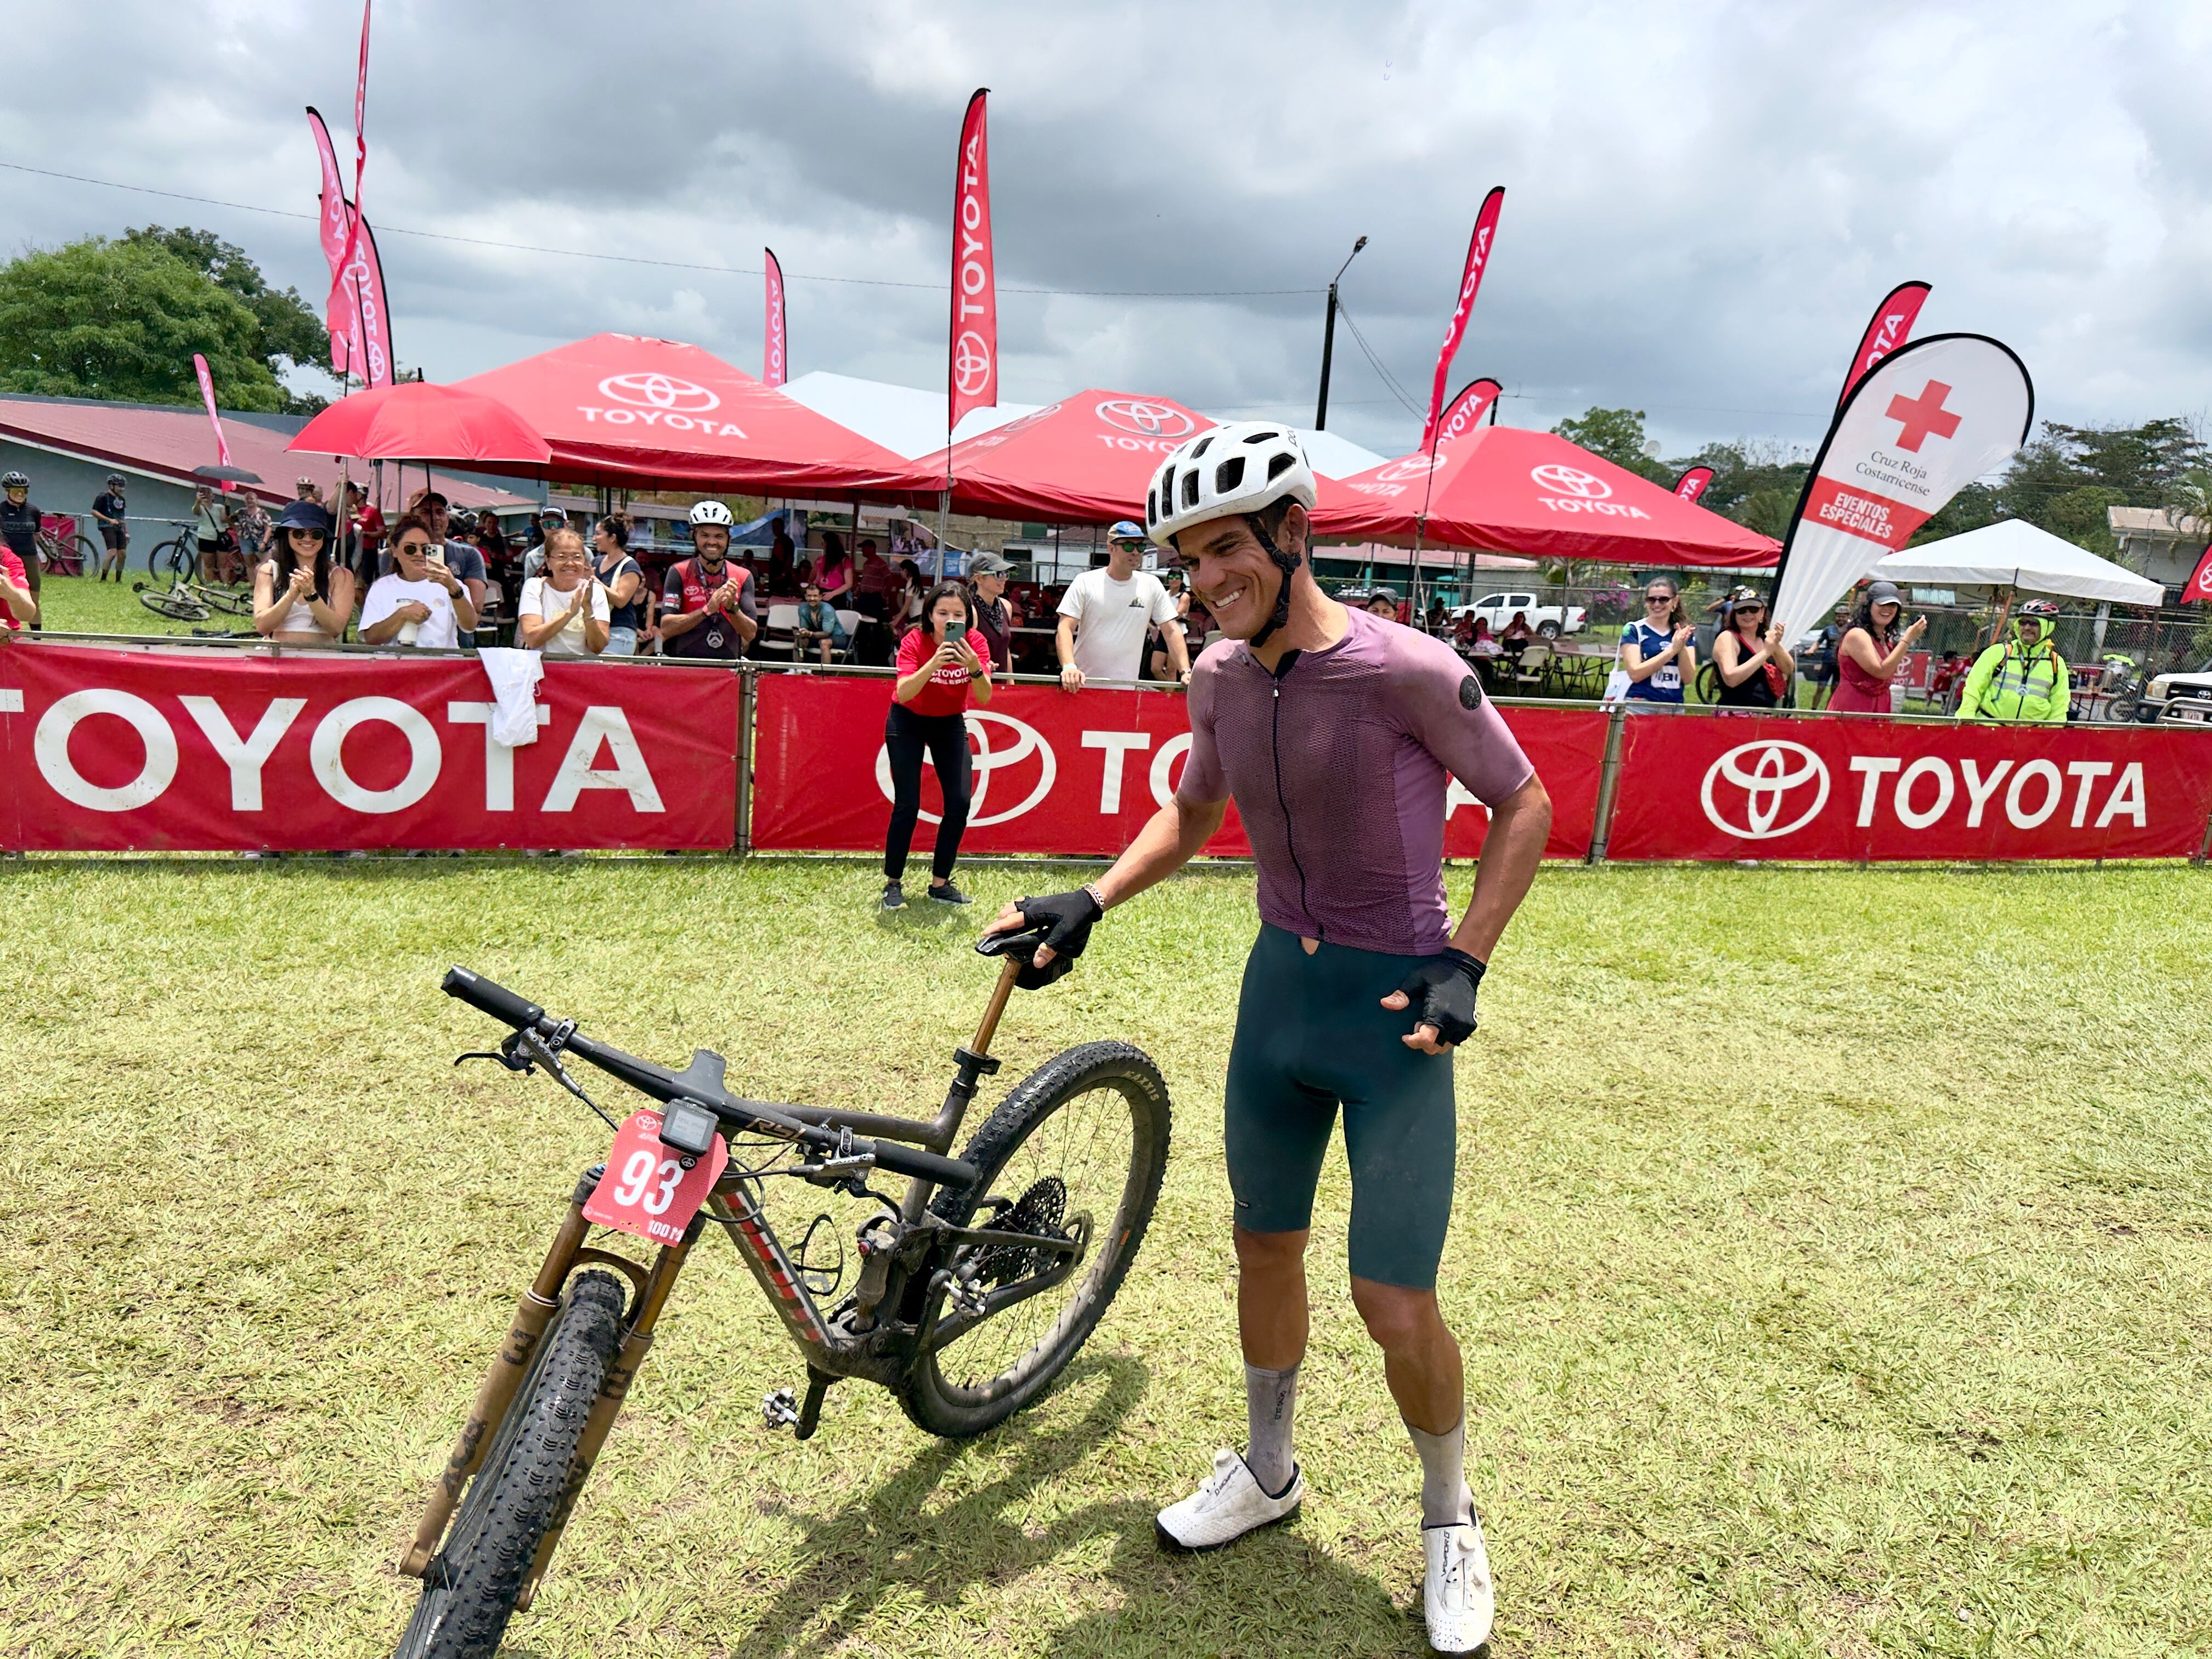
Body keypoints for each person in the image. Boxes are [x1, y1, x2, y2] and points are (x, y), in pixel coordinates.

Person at [986, 422, 1547, 1658]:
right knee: (1262, 1253)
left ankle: (1451, 1520)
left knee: (1393, 1300)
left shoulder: (1409, 668)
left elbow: (1525, 801)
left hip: (1396, 1016)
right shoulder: (1222, 679)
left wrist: (1466, 961)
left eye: (1230, 548)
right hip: (1274, 1006)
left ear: (1295, 534)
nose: (1208, 577)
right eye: (1191, 558)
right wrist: (1091, 899)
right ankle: (1271, 1471)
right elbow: (1191, 817)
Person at [882, 580, 994, 910]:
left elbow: (985, 696)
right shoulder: (915, 640)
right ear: (929, 614)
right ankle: (893, 883)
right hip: (907, 720)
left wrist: (973, 666)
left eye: (957, 614)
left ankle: (940, 884)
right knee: (908, 804)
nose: (949, 619)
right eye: (942, 612)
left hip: (949, 722)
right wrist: (935, 663)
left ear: (968, 616)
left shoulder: (975, 643)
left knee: (959, 804)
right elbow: (903, 692)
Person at [1057, 520, 1187, 689]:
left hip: (1126, 690)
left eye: (1140, 547)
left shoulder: (1152, 584)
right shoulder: (1086, 581)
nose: (1135, 552)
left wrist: (1186, 671)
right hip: (1082, 687)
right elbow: (1065, 627)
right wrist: (1069, 667)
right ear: (1111, 548)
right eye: (1128, 546)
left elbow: (1171, 630)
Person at [359, 513, 478, 647]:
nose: (419, 554)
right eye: (410, 548)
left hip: (440, 663)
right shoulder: (382, 587)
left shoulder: (450, 585)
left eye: (426, 548)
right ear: (395, 551)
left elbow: (470, 626)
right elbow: (371, 638)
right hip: (396, 663)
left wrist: (454, 588)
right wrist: (402, 615)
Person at [660, 499, 758, 660]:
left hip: (727, 668)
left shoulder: (743, 576)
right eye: (705, 535)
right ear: (694, 536)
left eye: (719, 536)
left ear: (729, 540)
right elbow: (666, 628)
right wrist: (707, 610)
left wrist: (732, 608)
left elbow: (751, 633)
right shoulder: (679, 572)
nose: (712, 542)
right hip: (685, 666)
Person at [251, 500, 354, 645]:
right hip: (276, 657)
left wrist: (311, 595)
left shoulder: (341, 576)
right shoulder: (268, 571)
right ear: (286, 535)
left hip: (321, 659)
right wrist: (290, 596)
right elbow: (262, 626)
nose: (307, 539)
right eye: (299, 533)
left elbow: (336, 628)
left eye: (316, 534)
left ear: (324, 537)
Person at [1958, 599, 2070, 723]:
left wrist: (2049, 735)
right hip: (1989, 729)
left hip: (2030, 736)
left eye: (2034, 623)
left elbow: (2059, 706)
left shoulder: (2056, 663)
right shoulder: (1998, 653)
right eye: (2023, 622)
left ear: (2047, 627)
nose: (2027, 628)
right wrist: (1966, 718)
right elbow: (1974, 688)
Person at [1828, 580, 1926, 715]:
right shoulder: (1857, 634)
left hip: (1880, 707)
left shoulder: (1885, 638)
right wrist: (1907, 640)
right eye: (1882, 604)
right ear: (1869, 606)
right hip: (1852, 709)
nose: (1887, 609)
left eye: (1892, 605)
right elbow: (1881, 672)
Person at [517, 527, 611, 657]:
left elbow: (598, 647)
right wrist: (570, 613)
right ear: (548, 561)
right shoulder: (535, 587)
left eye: (577, 557)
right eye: (562, 557)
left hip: (583, 670)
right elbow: (532, 640)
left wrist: (588, 613)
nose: (570, 563)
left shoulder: (596, 591)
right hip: (544, 669)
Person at [394, 489, 489, 616]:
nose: (435, 518)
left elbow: (476, 606)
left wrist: (451, 584)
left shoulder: (469, 554)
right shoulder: (397, 555)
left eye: (440, 512)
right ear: (412, 518)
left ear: (448, 518)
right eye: (426, 512)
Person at [1709, 588, 1795, 708]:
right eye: (1742, 610)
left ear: (1762, 612)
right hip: (1734, 716)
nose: (1748, 614)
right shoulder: (1728, 638)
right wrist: (1765, 653)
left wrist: (1776, 644)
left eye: (1754, 609)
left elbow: (1788, 669)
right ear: (1734, 613)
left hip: (1765, 716)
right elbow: (1731, 679)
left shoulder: (1766, 639)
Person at [1618, 578, 1693, 706]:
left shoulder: (1684, 633)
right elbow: (1635, 674)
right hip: (1641, 705)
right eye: (1651, 600)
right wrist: (1672, 651)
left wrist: (1682, 647)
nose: (1657, 605)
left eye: (1663, 599)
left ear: (1675, 601)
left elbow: (1688, 678)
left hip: (1674, 707)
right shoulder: (1633, 630)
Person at [589, 515, 645, 656]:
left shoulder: (630, 566)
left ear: (612, 538)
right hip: (596, 629)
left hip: (620, 632)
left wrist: (594, 580)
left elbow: (621, 600)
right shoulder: (596, 562)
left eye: (598, 534)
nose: (594, 539)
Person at [0, 470, 46, 630]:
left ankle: (37, 640)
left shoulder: (33, 511)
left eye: (24, 491)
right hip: (6, 558)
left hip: (29, 557)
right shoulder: (1, 509)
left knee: (33, 600)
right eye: (15, 491)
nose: (20, 494)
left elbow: (37, 535)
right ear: (7, 492)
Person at [966, 550, 1017, 673]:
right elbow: (962, 650)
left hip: (1001, 685)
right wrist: (981, 663)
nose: (1004, 578)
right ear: (979, 578)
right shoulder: (970, 610)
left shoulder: (1006, 606)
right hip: (976, 683)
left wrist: (1010, 683)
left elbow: (1005, 650)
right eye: (998, 574)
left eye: (1006, 573)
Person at [791, 580, 849, 664]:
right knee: (800, 640)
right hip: (817, 636)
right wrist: (801, 633)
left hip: (837, 638)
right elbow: (805, 628)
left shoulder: (827, 610)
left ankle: (825, 674)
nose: (812, 599)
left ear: (820, 597)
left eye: (815, 596)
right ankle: (798, 669)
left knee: (824, 643)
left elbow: (827, 633)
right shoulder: (803, 608)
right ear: (806, 597)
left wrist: (810, 634)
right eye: (809, 596)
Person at [91, 473, 129, 582]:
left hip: (119, 527)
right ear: (112, 486)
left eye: (123, 486)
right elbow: (94, 511)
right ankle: (103, 579)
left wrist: (126, 532)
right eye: (119, 486)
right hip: (107, 526)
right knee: (112, 553)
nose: (122, 489)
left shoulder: (121, 499)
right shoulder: (103, 497)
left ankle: (118, 579)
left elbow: (122, 516)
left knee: (122, 554)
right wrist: (109, 520)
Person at [190, 485, 229, 584]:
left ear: (213, 497)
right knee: (208, 563)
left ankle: (226, 584)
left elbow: (224, 519)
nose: (206, 496)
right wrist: (198, 501)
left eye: (209, 493)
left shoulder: (220, 507)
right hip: (206, 537)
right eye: (204, 494)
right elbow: (196, 511)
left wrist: (227, 506)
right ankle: (210, 583)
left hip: (220, 537)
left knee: (223, 563)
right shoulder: (200, 507)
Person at [817, 530, 854, 608]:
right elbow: (818, 579)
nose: (823, 546)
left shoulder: (844, 561)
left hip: (837, 596)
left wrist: (832, 594)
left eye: (823, 544)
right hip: (822, 594)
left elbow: (849, 584)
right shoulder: (822, 560)